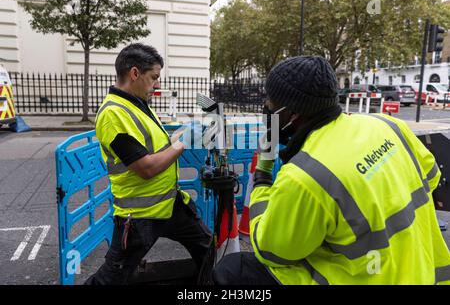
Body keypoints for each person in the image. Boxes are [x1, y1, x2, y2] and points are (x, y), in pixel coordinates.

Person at [212, 56, 450, 285]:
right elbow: (432, 179)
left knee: (232, 270)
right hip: (425, 271)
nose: (266, 106)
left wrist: (262, 178)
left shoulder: (306, 175)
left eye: (271, 101)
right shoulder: (389, 125)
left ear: (292, 113)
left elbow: (271, 251)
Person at [85, 43, 211, 285]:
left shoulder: (136, 104)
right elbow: (146, 168)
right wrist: (184, 141)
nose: (158, 85)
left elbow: (156, 148)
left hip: (169, 205)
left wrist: (183, 133)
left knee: (208, 249)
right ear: (134, 73)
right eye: (154, 77)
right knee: (110, 278)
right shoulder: (113, 114)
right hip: (140, 216)